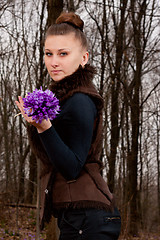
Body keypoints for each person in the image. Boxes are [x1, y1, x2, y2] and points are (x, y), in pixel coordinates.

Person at [15, 12, 121, 240]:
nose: (54, 61)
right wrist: (39, 126)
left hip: (88, 217)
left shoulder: (80, 100)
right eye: (48, 53)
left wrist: (43, 127)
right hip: (79, 217)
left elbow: (72, 167)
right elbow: (53, 156)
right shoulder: (66, 98)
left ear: (84, 58)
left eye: (63, 54)